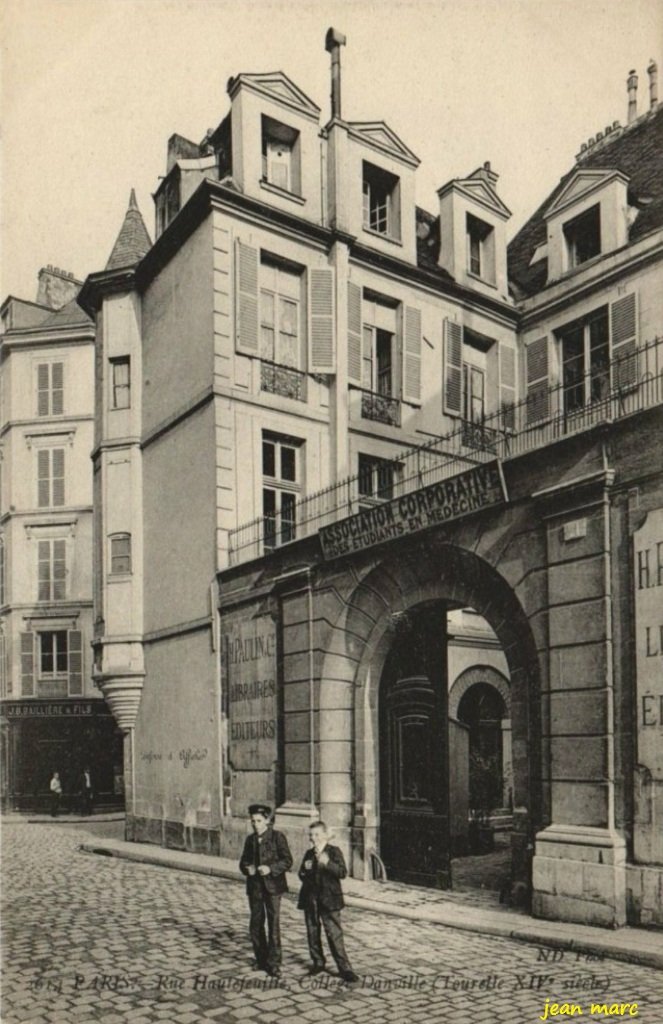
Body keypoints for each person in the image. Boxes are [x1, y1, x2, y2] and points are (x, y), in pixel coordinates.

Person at [297, 820, 359, 983]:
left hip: (329, 899)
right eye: (311, 835)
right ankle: (318, 962)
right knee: (312, 931)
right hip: (311, 899)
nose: (313, 838)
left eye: (317, 834)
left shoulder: (334, 851)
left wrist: (327, 863)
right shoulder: (309, 854)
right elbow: (301, 874)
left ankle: (344, 968)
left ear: (325, 835)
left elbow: (342, 872)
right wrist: (305, 871)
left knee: (334, 934)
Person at [239, 803, 293, 977]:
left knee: (273, 924)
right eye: (253, 821)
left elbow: (287, 861)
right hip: (255, 888)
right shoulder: (250, 840)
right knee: (256, 925)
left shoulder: (278, 837)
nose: (255, 824)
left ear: (268, 821)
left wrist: (270, 869)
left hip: (273, 888)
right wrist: (248, 869)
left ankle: (274, 963)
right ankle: (261, 960)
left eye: (259, 821)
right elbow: (243, 862)